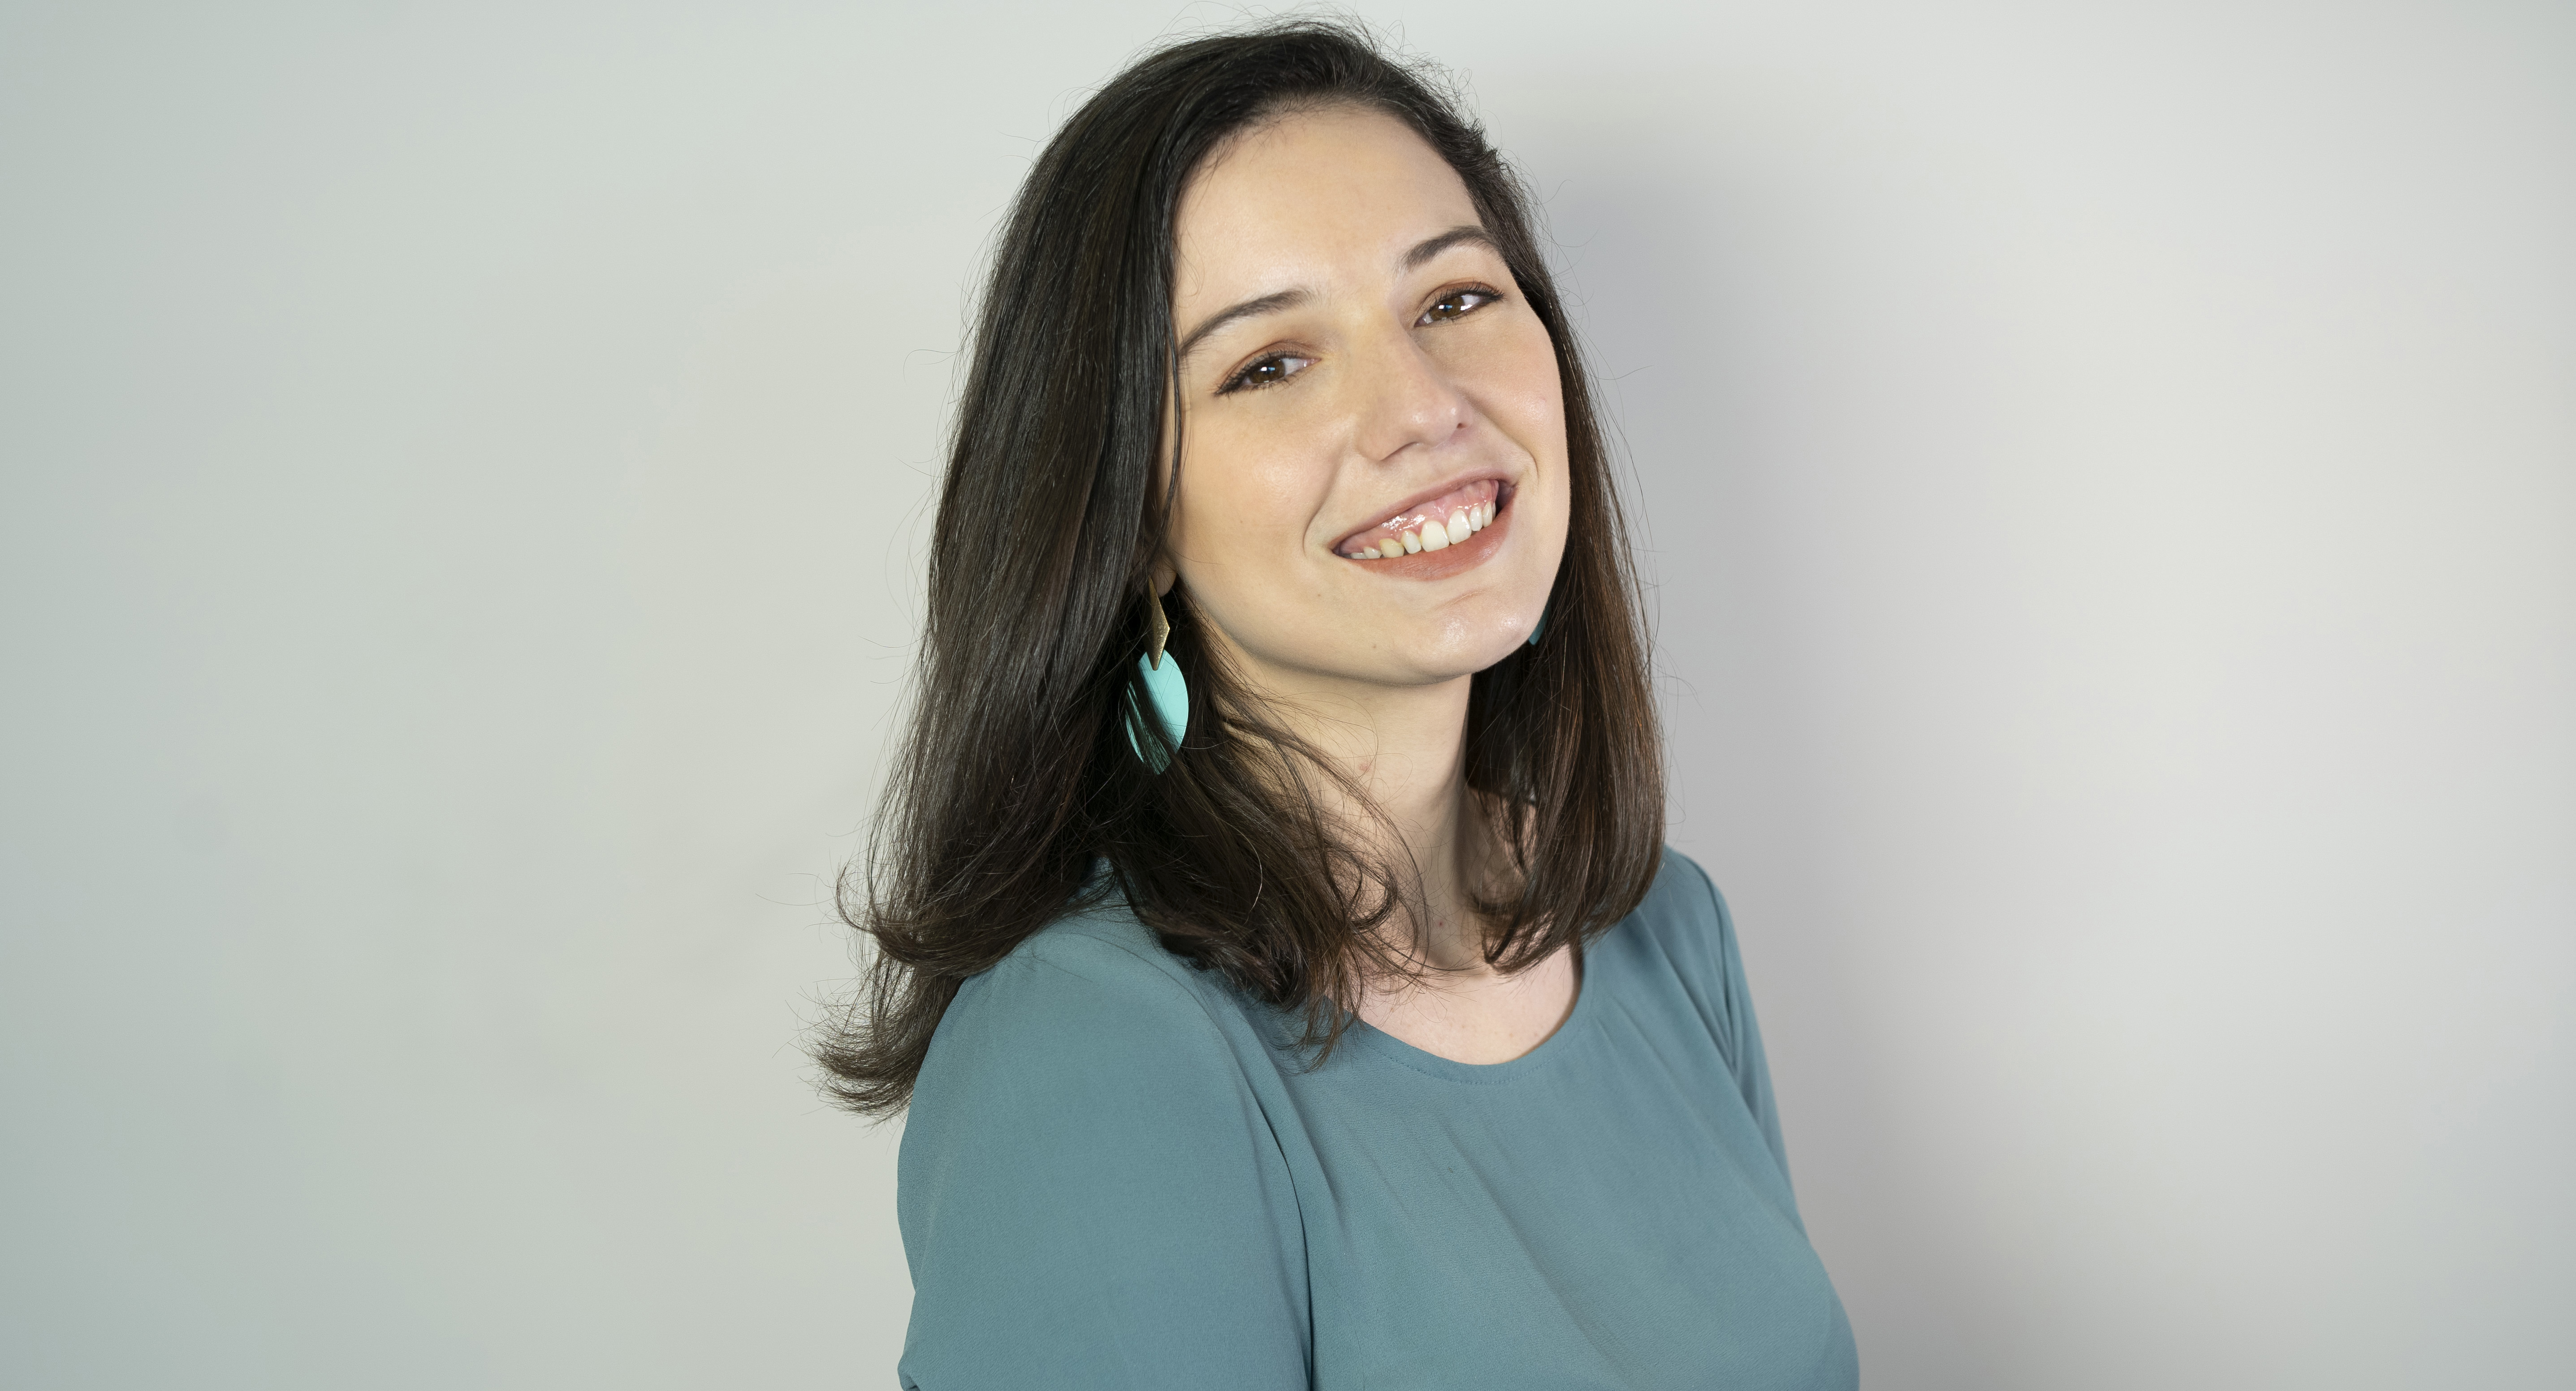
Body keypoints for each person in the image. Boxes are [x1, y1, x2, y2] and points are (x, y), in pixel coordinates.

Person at [818, 20, 1857, 1389]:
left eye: (1454, 300)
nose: (1421, 408)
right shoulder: (1091, 1052)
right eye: (1268, 364)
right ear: (1129, 520)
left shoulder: (1663, 927)